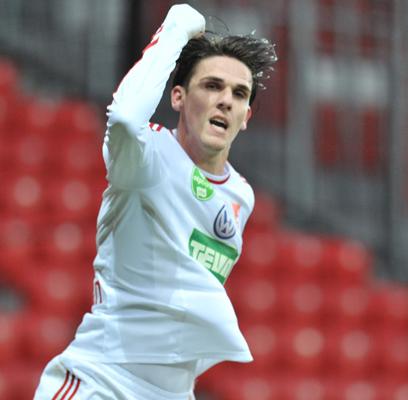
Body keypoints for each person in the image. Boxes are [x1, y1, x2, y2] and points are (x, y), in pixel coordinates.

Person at [34, 3, 277, 399]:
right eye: (211, 86)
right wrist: (176, 30)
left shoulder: (241, 196)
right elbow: (125, 118)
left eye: (238, 93)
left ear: (245, 116)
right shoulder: (147, 158)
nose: (225, 100)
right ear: (178, 96)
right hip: (101, 382)